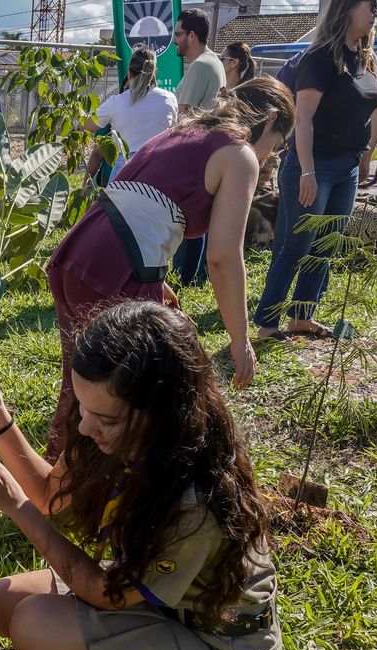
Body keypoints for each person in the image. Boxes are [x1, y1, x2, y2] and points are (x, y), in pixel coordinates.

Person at [0, 301, 280, 650]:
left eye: (103, 419)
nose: (86, 428)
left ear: (159, 413)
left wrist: (17, 510)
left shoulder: (195, 498)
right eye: (82, 407)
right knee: (2, 602)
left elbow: (108, 595)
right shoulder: (113, 426)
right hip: (163, 608)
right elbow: (52, 494)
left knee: (33, 626)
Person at [46, 78, 294, 456]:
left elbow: (143, 203)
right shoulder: (239, 153)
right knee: (131, 397)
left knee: (83, 383)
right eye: (275, 145)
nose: (268, 157)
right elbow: (223, 257)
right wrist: (241, 340)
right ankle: (92, 490)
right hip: (114, 266)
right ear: (271, 118)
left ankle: (60, 482)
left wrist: (156, 281)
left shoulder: (187, 130)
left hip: (80, 254)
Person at [254, 0, 377, 341]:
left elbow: (360, 105)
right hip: (313, 166)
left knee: (326, 245)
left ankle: (302, 317)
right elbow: (303, 119)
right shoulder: (320, 57)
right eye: (371, 7)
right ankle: (267, 325)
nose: (375, 13)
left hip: (347, 167)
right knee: (296, 246)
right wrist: (307, 171)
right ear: (347, 10)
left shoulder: (367, 59)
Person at [169, 9, 227, 287]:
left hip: (193, 154)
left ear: (192, 35)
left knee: (188, 220)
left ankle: (186, 279)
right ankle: (195, 277)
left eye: (178, 34)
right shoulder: (213, 62)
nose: (175, 40)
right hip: (206, 153)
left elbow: (183, 117)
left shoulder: (201, 66)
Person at [87, 45, 177, 171]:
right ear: (154, 72)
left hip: (124, 171)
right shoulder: (169, 99)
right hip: (159, 171)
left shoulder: (116, 102)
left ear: (129, 74)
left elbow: (87, 126)